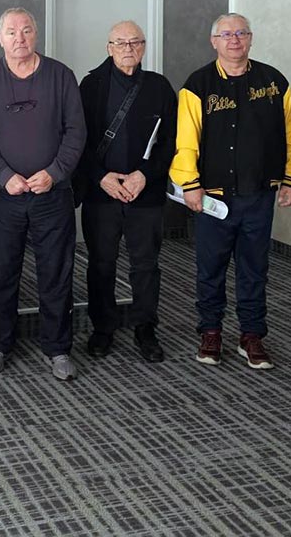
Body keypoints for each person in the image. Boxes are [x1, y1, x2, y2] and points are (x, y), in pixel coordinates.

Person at [171, 13, 291, 370]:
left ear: (251, 38)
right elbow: (186, 141)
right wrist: (190, 185)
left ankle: (252, 336)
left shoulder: (274, 82)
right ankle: (210, 331)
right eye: (226, 34)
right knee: (210, 268)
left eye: (241, 33)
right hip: (212, 197)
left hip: (259, 195)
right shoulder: (197, 85)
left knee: (254, 268)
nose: (234, 40)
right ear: (213, 41)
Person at [0, 7, 86, 381]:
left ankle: (58, 347)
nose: (19, 38)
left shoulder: (61, 76)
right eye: (11, 32)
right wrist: (4, 176)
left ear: (36, 34)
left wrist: (54, 173)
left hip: (52, 194)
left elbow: (76, 131)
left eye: (26, 30)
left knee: (56, 272)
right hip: (3, 195)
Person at [77, 20, 176, 363]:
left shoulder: (159, 87)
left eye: (135, 42)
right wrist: (100, 177)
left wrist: (144, 176)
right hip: (101, 193)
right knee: (101, 263)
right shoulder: (90, 86)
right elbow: (76, 139)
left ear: (144, 47)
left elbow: (170, 142)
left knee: (145, 265)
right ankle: (102, 328)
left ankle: (145, 328)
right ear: (109, 48)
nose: (128, 48)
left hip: (144, 193)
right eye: (120, 43)